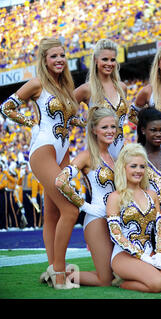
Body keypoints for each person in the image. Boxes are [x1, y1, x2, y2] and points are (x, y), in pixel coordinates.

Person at [0, 37, 84, 289]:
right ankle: (59, 274)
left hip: (63, 151)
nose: (59, 60)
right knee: (71, 209)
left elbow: (68, 122)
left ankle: (51, 268)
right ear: (45, 60)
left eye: (62, 56)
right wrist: (30, 123)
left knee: (53, 213)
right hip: (43, 150)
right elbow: (6, 107)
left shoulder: (67, 89)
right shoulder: (37, 84)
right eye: (54, 56)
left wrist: (87, 123)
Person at [106, 143, 161, 293]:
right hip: (123, 255)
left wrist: (160, 253)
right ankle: (121, 282)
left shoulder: (151, 194)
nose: (138, 171)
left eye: (142, 166)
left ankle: (141, 274)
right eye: (133, 166)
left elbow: (160, 228)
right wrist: (142, 257)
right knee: (158, 284)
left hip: (150, 252)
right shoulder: (115, 197)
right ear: (123, 168)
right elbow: (116, 235)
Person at [54, 107, 117, 287]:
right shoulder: (86, 156)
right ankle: (62, 275)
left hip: (115, 220)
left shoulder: (114, 157)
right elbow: (60, 181)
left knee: (118, 274)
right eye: (105, 127)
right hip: (96, 219)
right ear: (94, 130)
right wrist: (84, 206)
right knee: (105, 280)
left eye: (113, 127)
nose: (110, 131)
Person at [74, 39, 130, 160]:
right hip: (98, 158)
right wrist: (84, 123)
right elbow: (63, 109)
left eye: (112, 60)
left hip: (121, 156)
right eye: (105, 59)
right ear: (95, 60)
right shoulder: (87, 89)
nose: (109, 63)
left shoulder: (122, 88)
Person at [136, 107, 161, 205]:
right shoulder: (136, 158)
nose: (159, 134)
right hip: (146, 215)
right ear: (143, 130)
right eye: (153, 130)